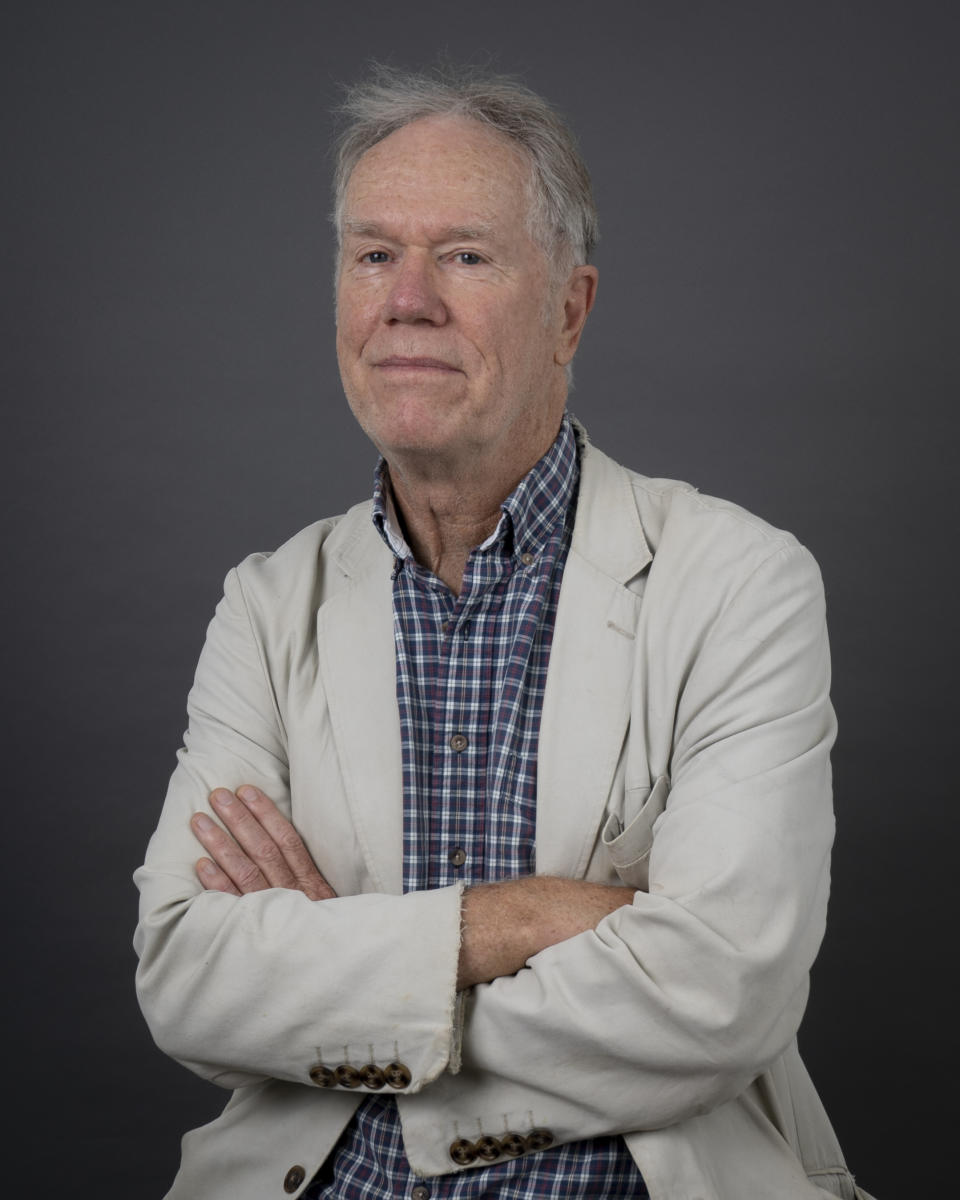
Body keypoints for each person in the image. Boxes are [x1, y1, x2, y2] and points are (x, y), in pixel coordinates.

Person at [134, 66, 874, 1200]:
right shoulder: (266, 603)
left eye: (465, 255)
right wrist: (520, 919)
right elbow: (187, 979)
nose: (406, 299)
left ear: (569, 309)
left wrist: (350, 974)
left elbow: (724, 997)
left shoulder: (739, 582)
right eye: (374, 253)